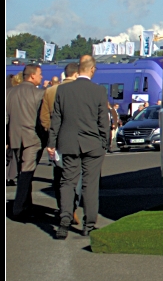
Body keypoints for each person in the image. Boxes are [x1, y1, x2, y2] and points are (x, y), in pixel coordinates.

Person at [47, 55, 109, 239]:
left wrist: (52, 143)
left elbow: (56, 119)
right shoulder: (98, 91)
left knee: (67, 182)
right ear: (92, 70)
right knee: (90, 185)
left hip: (68, 143)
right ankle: (88, 224)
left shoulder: (63, 91)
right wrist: (105, 142)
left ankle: (64, 219)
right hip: (92, 144)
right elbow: (102, 121)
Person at [6, 64, 45, 220]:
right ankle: (19, 207)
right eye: (40, 74)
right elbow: (42, 120)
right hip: (32, 139)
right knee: (26, 174)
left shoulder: (8, 93)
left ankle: (26, 205)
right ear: (33, 75)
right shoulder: (40, 94)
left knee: (22, 174)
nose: (41, 77)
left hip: (15, 137)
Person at [40, 62, 79, 215]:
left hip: (56, 138)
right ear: (76, 74)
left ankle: (62, 206)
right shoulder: (79, 90)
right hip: (75, 137)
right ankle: (73, 205)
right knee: (75, 173)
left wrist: (51, 132)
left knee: (58, 174)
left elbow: (44, 117)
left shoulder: (50, 91)